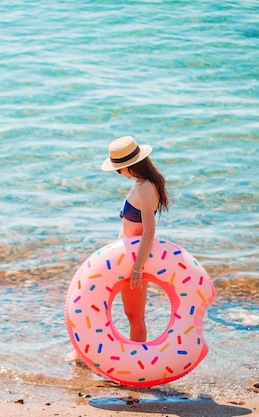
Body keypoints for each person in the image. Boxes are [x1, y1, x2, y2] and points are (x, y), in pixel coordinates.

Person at [67, 135, 168, 362]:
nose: (119, 173)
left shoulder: (144, 188)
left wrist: (137, 268)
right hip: (125, 257)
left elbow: (149, 231)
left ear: (130, 166)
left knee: (134, 316)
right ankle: (84, 353)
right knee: (124, 312)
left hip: (133, 259)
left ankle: (138, 364)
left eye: (119, 169)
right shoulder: (143, 185)